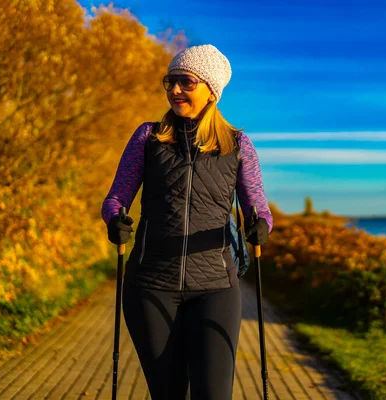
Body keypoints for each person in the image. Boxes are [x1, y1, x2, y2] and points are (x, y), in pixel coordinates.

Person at [101, 44, 273, 400]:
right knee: (168, 394)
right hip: (151, 286)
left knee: (214, 395)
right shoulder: (148, 138)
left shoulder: (237, 145)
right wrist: (115, 218)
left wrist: (261, 226)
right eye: (171, 81)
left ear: (211, 91)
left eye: (186, 82)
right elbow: (117, 196)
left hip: (215, 288)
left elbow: (259, 207)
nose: (175, 89)